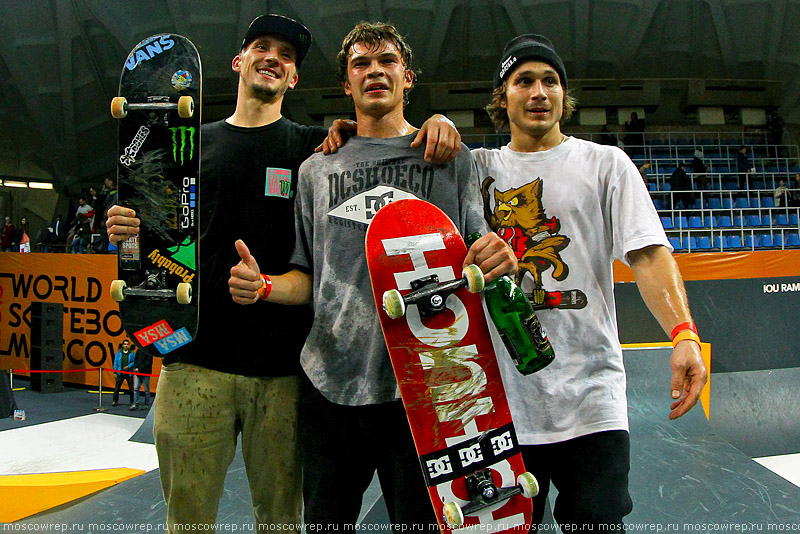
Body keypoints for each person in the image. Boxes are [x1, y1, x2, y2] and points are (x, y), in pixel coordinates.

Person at [106, 14, 462, 533]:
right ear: (239, 62)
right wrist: (127, 229)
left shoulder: (314, 150)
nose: (273, 57)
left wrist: (438, 121)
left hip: (283, 373)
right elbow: (150, 239)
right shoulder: (187, 148)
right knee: (187, 522)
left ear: (294, 79)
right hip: (193, 361)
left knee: (282, 523)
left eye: (287, 56)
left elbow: (371, 137)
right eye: (262, 47)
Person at [228, 21, 516, 529]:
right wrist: (266, 286)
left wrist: (498, 258)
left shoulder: (449, 159)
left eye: (386, 62)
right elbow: (307, 278)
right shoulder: (317, 169)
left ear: (408, 78)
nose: (374, 71)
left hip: (425, 390)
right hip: (330, 383)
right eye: (361, 64)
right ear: (346, 85)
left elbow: (480, 251)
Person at [475, 33, 707, 531]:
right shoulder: (476, 168)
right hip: (501, 400)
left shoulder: (605, 164)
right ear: (503, 97)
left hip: (591, 397)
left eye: (550, 81)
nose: (539, 91)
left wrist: (684, 333)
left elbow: (647, 254)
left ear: (563, 95)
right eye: (523, 81)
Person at [111, 340, 135, 407]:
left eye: (127, 344)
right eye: (125, 344)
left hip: (129, 373)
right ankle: (115, 401)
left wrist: (128, 366)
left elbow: (134, 362)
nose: (126, 345)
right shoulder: (119, 352)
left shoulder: (132, 353)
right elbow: (115, 362)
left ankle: (132, 402)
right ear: (122, 345)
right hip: (120, 373)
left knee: (131, 389)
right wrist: (115, 372)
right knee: (117, 388)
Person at [130, 346, 153, 410]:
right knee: (136, 388)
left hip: (145, 373)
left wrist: (139, 369)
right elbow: (136, 360)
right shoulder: (139, 350)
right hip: (137, 373)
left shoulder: (149, 352)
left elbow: (148, 363)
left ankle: (147, 404)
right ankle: (135, 403)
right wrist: (136, 368)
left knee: (146, 390)